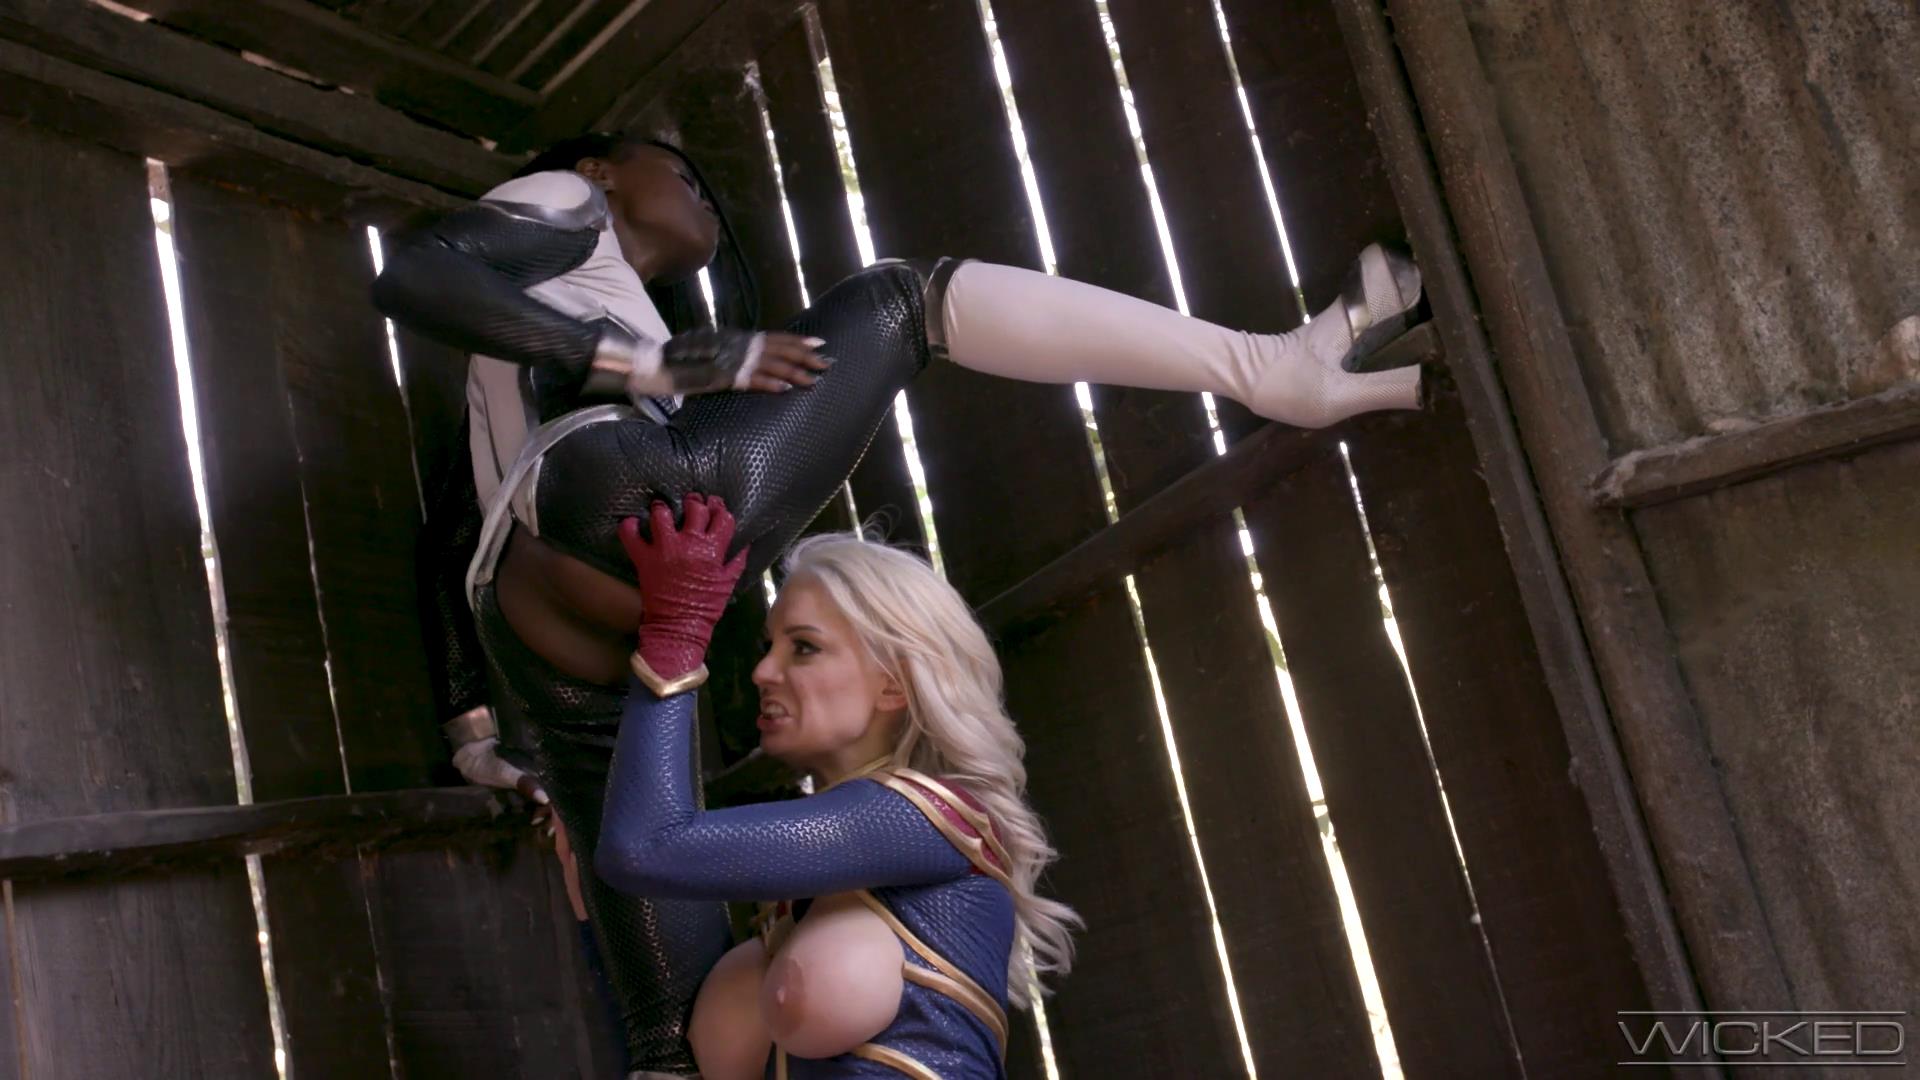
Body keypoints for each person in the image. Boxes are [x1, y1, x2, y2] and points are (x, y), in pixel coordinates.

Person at [370, 131, 1425, 1075]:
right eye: (682, 173)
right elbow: (412, 270)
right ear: (601, 168)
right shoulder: (565, 200)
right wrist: (641, 360)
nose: (707, 202)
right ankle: (1269, 367)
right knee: (903, 302)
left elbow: (457, 536)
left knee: (673, 1045)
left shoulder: (514, 353)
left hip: (536, 619)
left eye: (801, 646)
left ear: (894, 682)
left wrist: (478, 729)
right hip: (610, 514)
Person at [599, 494, 1074, 1079]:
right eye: (768, 646)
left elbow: (645, 847)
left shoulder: (923, 819)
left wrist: (676, 632)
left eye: (804, 647)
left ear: (893, 683)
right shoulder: (797, 899)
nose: (763, 672)